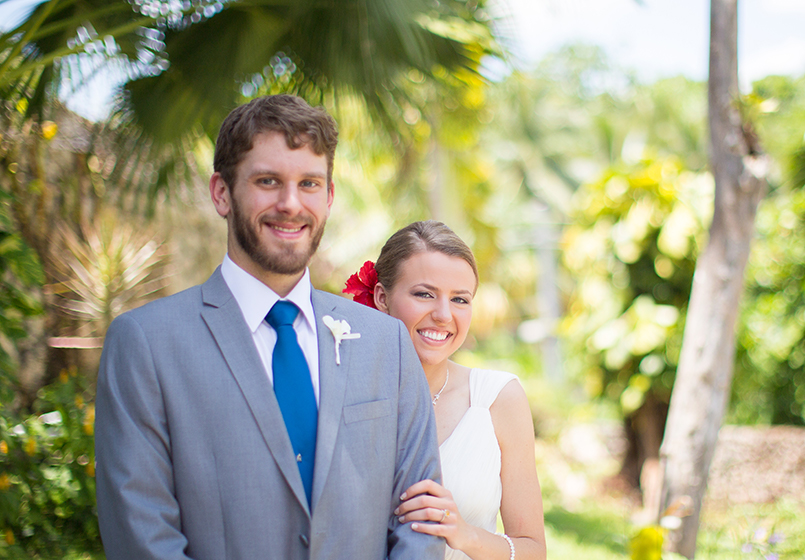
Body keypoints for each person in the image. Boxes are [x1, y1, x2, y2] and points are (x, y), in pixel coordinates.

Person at [94, 95, 444, 560]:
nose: (290, 204)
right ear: (222, 192)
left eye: (309, 183)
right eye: (267, 181)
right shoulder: (146, 345)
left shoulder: (386, 341)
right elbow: (141, 534)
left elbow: (422, 521)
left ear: (330, 196)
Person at [344, 220, 547, 560]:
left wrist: (466, 536)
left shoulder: (498, 399)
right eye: (424, 294)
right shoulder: (342, 393)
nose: (443, 315)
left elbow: (533, 550)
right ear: (381, 297)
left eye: (460, 299)